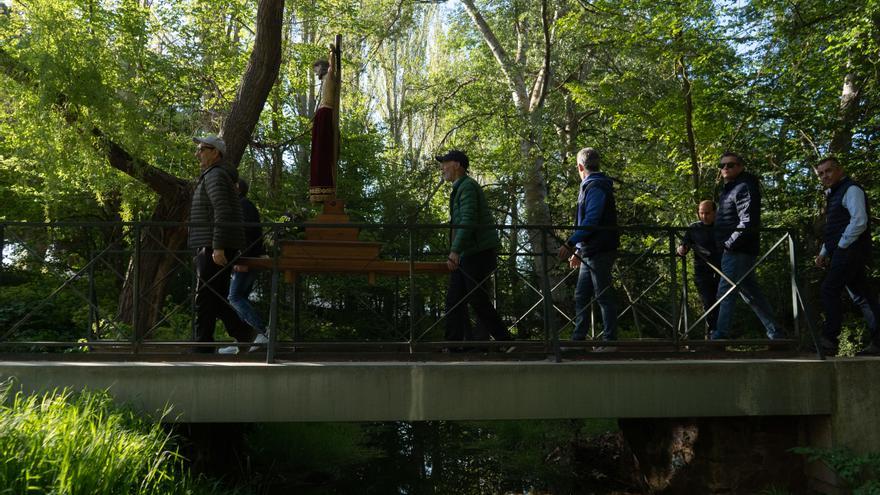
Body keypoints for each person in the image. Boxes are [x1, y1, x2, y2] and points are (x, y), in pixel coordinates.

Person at [188, 135, 257, 353]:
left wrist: (217, 247)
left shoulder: (216, 176)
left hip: (214, 245)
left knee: (205, 296)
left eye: (202, 148)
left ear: (215, 152)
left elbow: (222, 211)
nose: (198, 153)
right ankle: (244, 333)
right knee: (214, 297)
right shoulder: (215, 175)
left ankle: (204, 344)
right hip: (211, 244)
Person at [437, 150, 512, 347]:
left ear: (457, 165)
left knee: (477, 299)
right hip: (467, 253)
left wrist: (455, 250)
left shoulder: (467, 187)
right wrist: (457, 251)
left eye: (445, 163)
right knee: (454, 299)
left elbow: (468, 221)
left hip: (477, 253)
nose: (442, 167)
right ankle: (453, 346)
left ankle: (505, 341)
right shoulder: (461, 187)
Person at [814, 157, 880, 356]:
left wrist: (841, 246)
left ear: (839, 170)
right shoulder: (833, 195)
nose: (825, 176)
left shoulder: (851, 189)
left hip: (851, 251)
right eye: (821, 173)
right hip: (844, 251)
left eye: (829, 171)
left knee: (829, 289)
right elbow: (834, 229)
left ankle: (829, 341)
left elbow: (860, 221)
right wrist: (824, 252)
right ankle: (879, 342)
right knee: (862, 297)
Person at [712, 152, 782, 340]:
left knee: (725, 291)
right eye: (722, 166)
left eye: (730, 165)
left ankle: (720, 335)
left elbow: (747, 221)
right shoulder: (730, 188)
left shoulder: (744, 187)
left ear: (741, 166)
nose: (725, 168)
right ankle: (776, 332)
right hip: (738, 248)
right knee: (750, 292)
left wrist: (729, 244)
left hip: (738, 249)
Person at [557, 147, 619, 343]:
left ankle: (610, 341)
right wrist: (577, 250)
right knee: (581, 295)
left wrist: (570, 243)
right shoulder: (594, 185)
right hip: (589, 250)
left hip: (600, 249)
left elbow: (591, 219)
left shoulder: (595, 186)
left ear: (580, 166)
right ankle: (578, 340)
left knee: (603, 295)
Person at [222, 178, 270, 355]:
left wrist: (240, 259)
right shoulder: (242, 205)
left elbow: (247, 234)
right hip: (247, 257)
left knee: (234, 297)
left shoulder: (243, 206)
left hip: (248, 259)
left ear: (236, 188)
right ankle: (243, 341)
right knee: (239, 297)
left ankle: (263, 332)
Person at [677, 200, 722, 338]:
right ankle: (713, 333)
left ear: (715, 212)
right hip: (702, 271)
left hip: (723, 270)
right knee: (708, 302)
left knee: (722, 302)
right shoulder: (693, 228)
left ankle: (719, 333)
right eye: (701, 213)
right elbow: (682, 246)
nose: (704, 216)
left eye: (707, 213)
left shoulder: (723, 226)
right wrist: (681, 249)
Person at [309, 46, 337, 203]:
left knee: (322, 150)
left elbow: (333, 66)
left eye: (317, 68)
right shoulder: (325, 80)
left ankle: (327, 188)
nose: (316, 72)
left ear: (323, 67)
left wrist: (332, 53)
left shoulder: (331, 76)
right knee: (317, 151)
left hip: (326, 113)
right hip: (321, 114)